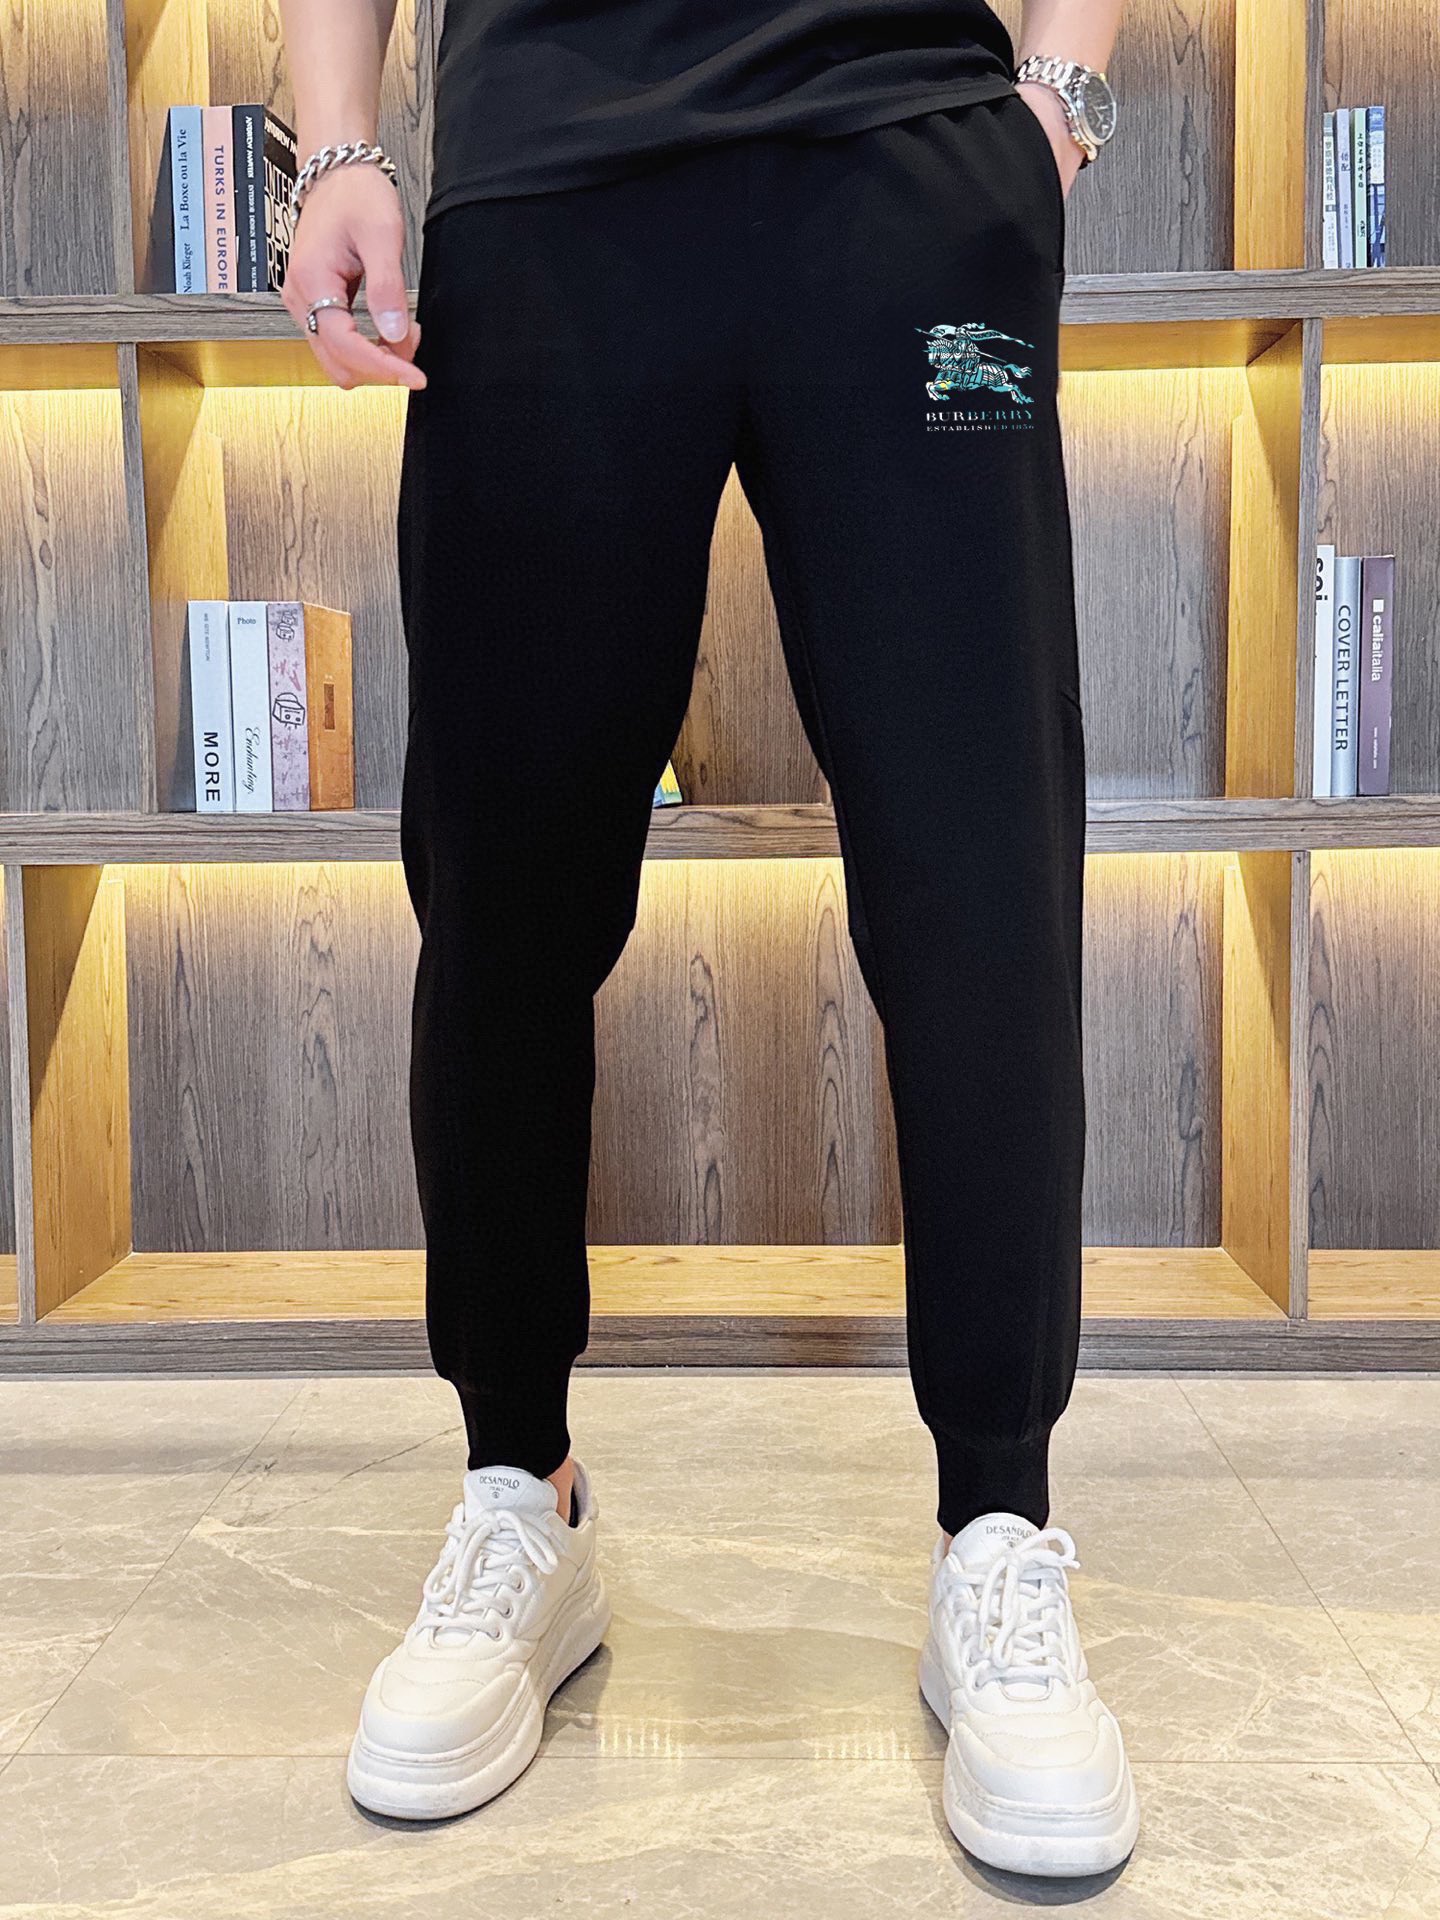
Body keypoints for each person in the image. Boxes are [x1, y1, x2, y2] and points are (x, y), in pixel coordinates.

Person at [278, 0, 1135, 1878]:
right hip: (544, 187)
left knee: (980, 872)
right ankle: (522, 1490)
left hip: (911, 163)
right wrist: (337, 141)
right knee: (504, 879)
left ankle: (998, 1528)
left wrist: (1054, 104)